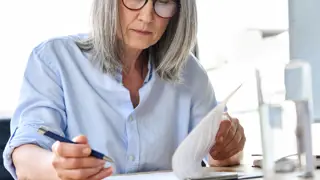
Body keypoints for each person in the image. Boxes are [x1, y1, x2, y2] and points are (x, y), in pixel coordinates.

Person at [3, 0, 246, 179]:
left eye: (163, 1)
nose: (147, 15)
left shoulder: (189, 72)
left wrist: (226, 150)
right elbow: (24, 158)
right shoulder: (54, 59)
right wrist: (57, 167)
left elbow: (218, 157)